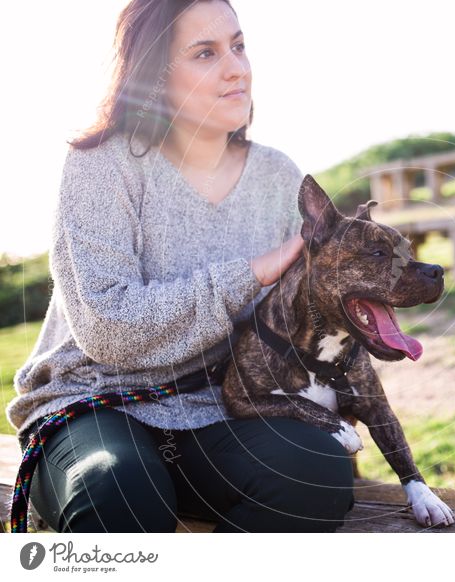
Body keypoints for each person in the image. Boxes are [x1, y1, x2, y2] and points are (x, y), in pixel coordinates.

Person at [5, 0, 355, 533]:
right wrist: (253, 272)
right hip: (96, 399)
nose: (237, 67)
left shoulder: (280, 177)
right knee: (118, 491)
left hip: (219, 404)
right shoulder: (101, 165)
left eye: (238, 45)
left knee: (316, 473)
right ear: (152, 75)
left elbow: (302, 319)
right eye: (205, 53)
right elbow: (108, 329)